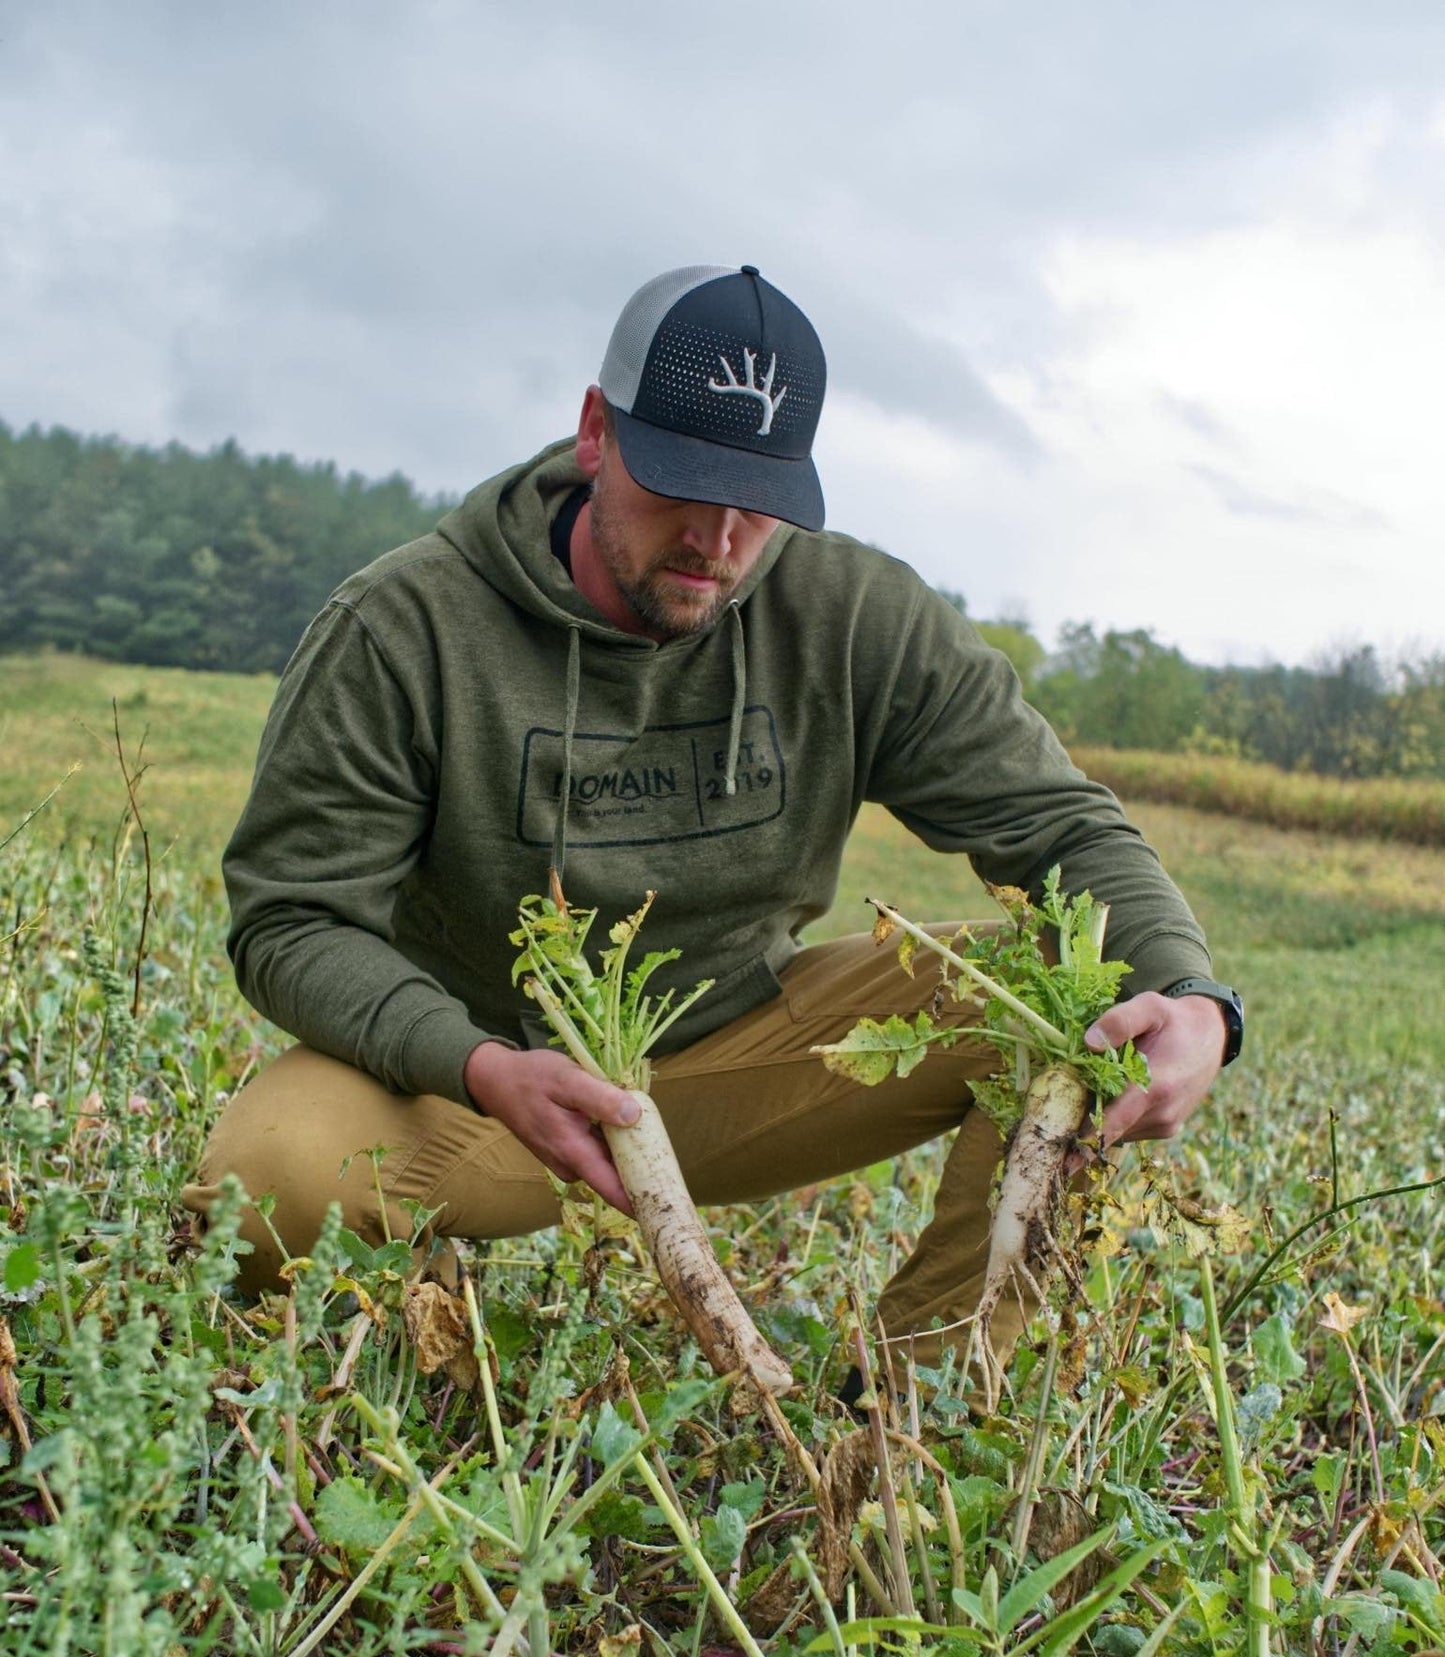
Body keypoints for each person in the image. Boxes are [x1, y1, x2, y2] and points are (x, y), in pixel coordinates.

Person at [183, 263, 1242, 1373]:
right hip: (475, 1089)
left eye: (757, 498)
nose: (717, 538)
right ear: (597, 432)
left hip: (739, 1058)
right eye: (681, 481)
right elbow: (291, 921)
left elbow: (1061, 829)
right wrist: (479, 1063)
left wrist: (1190, 994)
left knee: (1072, 995)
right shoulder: (405, 628)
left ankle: (918, 1400)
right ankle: (406, 1281)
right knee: (259, 1185)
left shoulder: (853, 617)